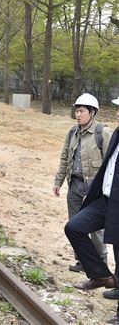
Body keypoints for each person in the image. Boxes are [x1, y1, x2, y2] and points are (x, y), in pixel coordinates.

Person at [64, 95, 119, 318]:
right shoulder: (117, 133)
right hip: (105, 200)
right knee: (74, 227)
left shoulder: (104, 132)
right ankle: (102, 275)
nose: (116, 113)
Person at [55, 93, 112, 273]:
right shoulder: (72, 132)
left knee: (95, 230)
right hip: (75, 186)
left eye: (81, 111)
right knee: (75, 225)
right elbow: (64, 158)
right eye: (76, 111)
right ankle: (82, 260)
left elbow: (110, 162)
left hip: (94, 190)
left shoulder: (102, 132)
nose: (78, 115)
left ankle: (100, 264)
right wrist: (59, 181)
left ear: (92, 112)